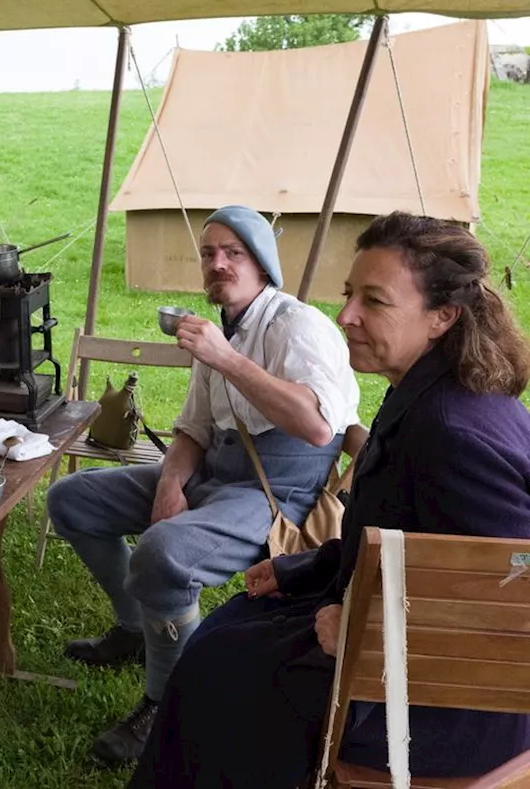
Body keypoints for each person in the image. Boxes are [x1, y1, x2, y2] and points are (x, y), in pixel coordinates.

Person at [132, 212, 530, 788]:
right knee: (223, 639)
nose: (346, 316)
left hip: (443, 704)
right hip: (390, 638)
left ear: (443, 317)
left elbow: (514, 589)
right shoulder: (424, 392)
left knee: (220, 679)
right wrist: (305, 565)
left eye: (375, 300)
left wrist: (370, 635)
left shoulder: (455, 433)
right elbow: (406, 539)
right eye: (349, 295)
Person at [46, 204, 361, 762]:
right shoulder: (220, 329)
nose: (218, 263)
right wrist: (171, 485)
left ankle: (166, 702)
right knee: (72, 499)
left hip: (277, 493)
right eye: (209, 253)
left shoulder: (297, 325)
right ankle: (133, 628)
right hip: (216, 471)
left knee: (165, 553)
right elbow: (192, 428)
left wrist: (225, 357)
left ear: (262, 263)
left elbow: (316, 427)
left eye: (233, 253)